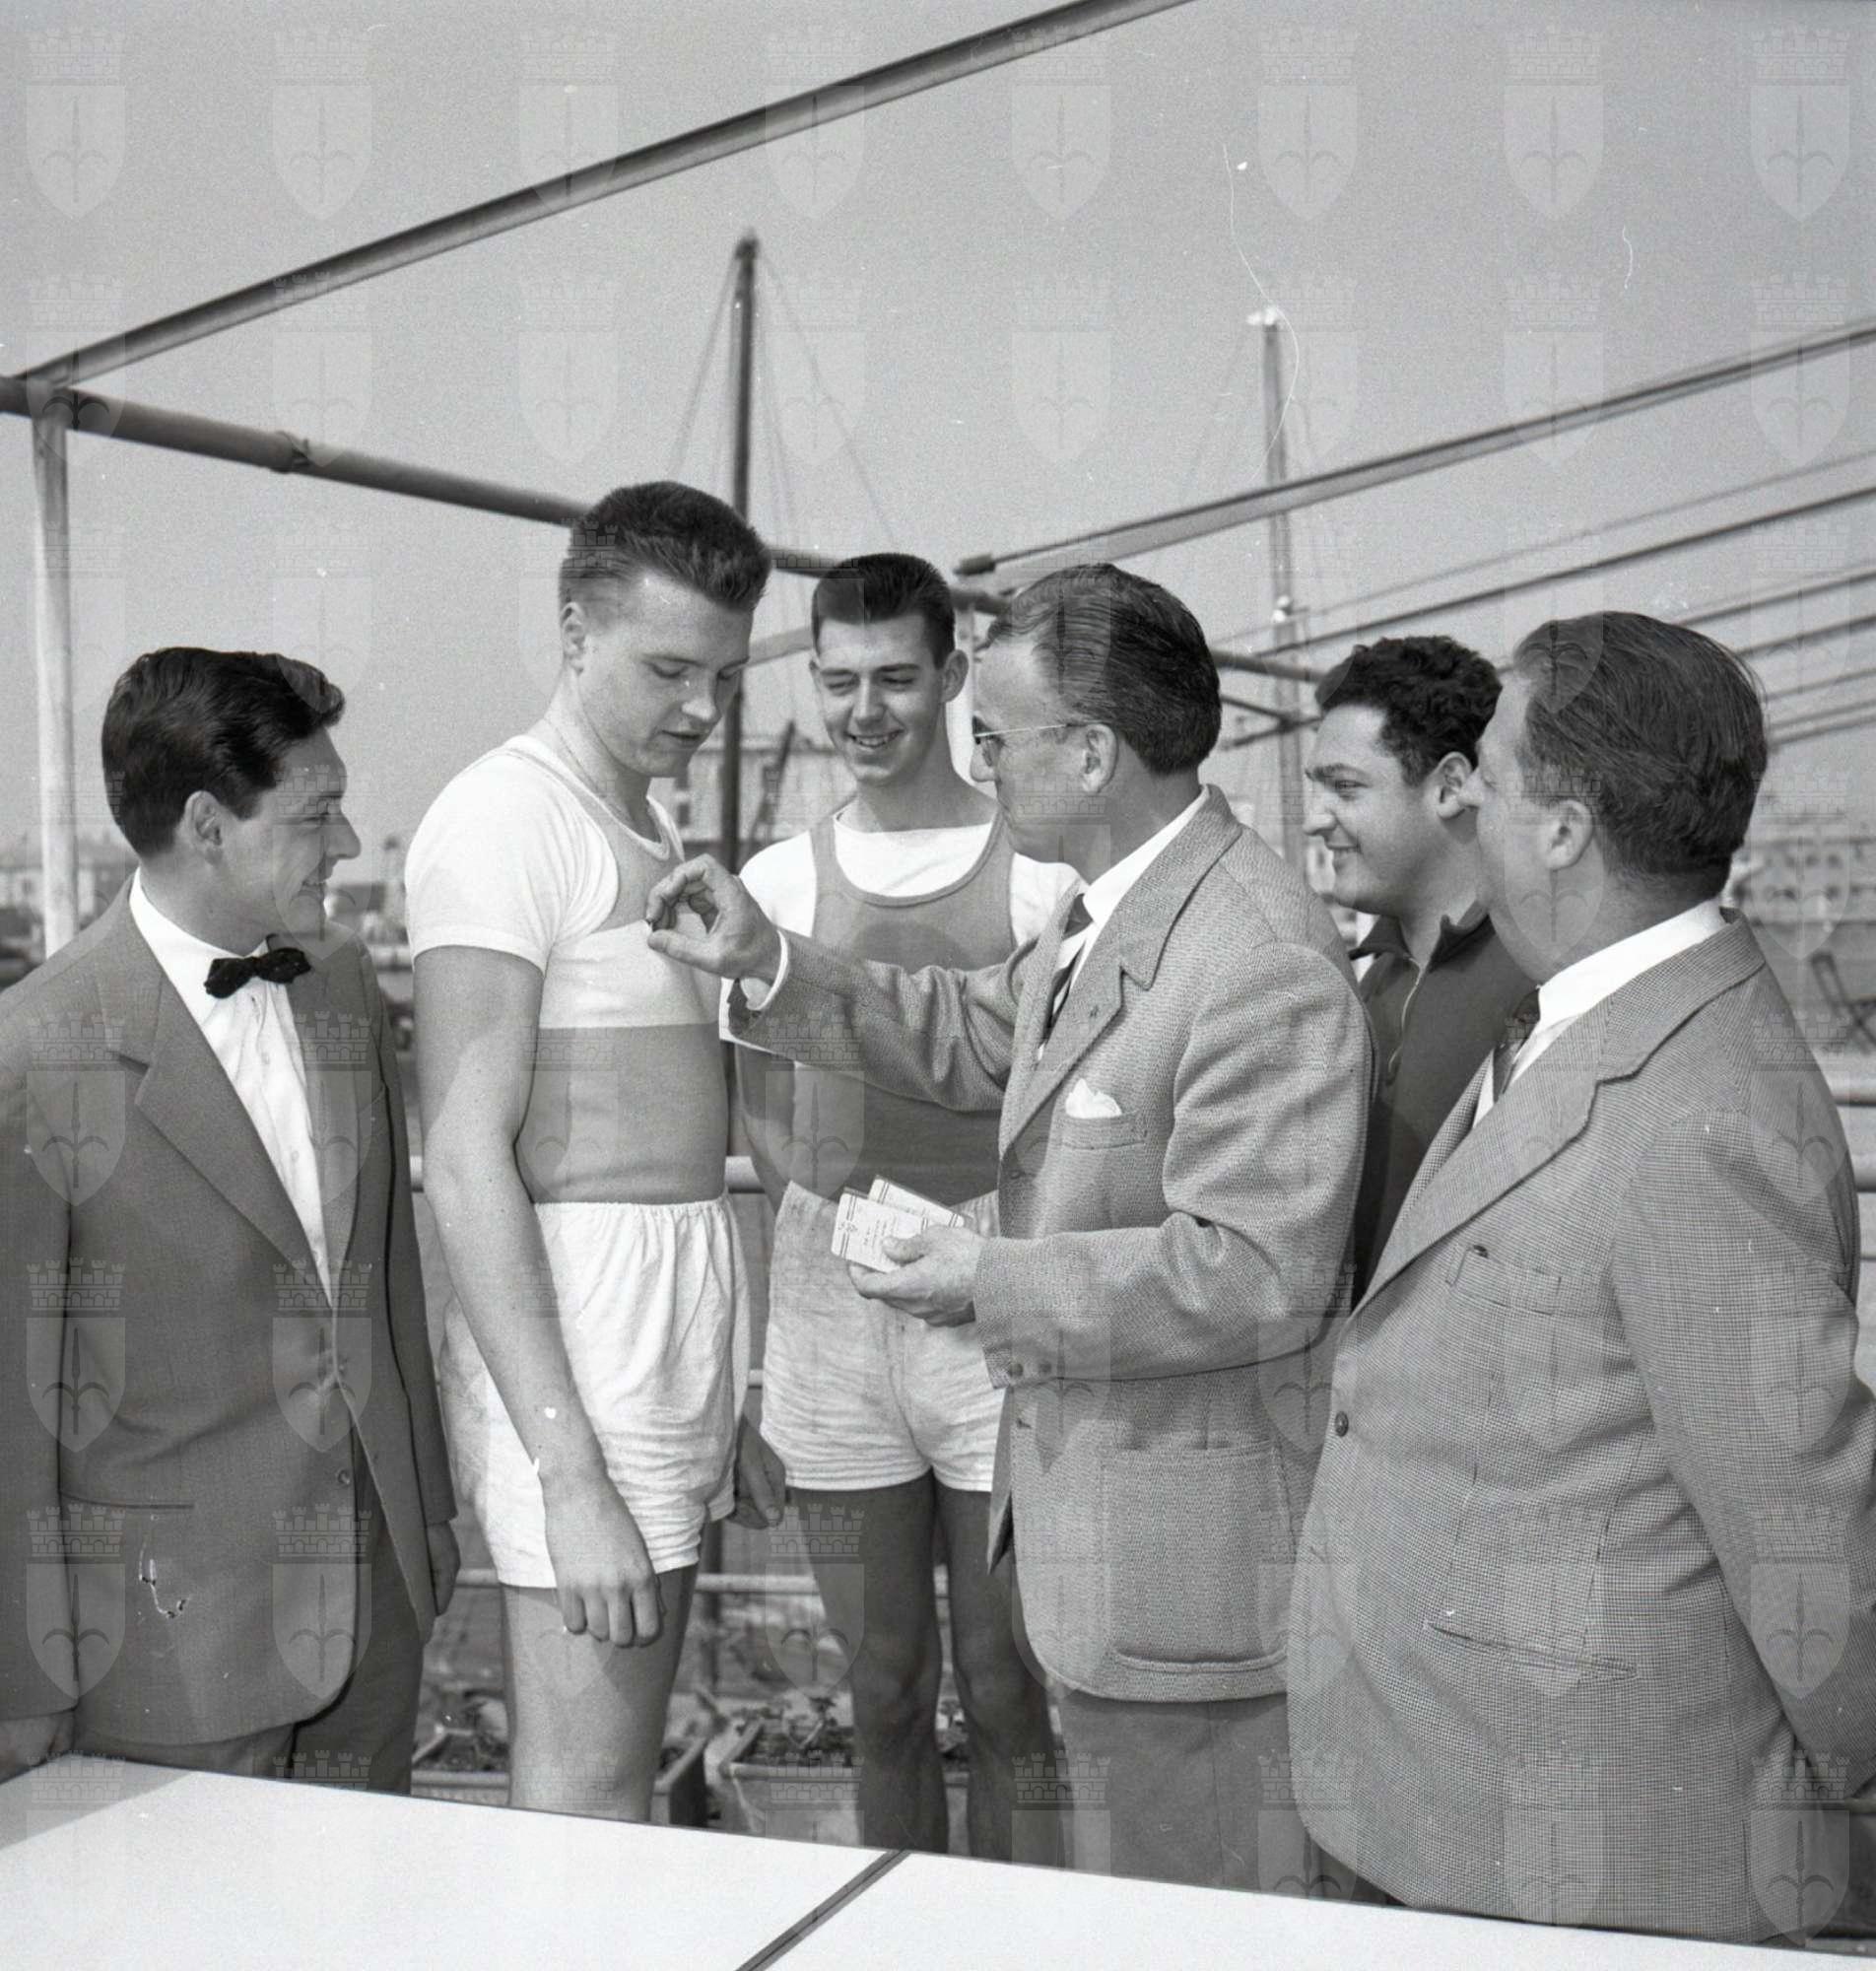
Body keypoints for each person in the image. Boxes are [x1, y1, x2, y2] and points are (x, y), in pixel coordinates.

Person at [648, 562, 1371, 1894]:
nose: (976, 765)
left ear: (1090, 754)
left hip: (1178, 1583)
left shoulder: (1252, 948)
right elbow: (970, 1030)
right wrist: (767, 958)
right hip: (1119, 1546)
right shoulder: (1119, 912)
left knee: (1186, 1909)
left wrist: (988, 1276)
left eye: (994, 736)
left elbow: (1257, 1272)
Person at [1289, 612, 1872, 1943]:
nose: (1459, 802)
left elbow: (1805, 1534)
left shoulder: (1702, 1112)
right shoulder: (1584, 1019)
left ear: (1562, 829)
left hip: (1589, 1855)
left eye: (1485, 773)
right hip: (1452, 1802)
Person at [0, 647, 456, 1789]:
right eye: (316, 813)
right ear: (207, 824)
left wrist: (427, 1522)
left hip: (376, 1607)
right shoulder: (35, 1048)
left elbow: (387, 1278)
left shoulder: (343, 985)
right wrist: (25, 1678)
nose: (346, 842)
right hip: (169, 1650)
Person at [406, 481, 779, 1820]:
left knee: (615, 1787)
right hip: (584, 1346)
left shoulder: (638, 816)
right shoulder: (505, 818)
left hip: (659, 1334)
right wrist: (568, 1473)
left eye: (725, 676)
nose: (702, 707)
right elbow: (464, 1157)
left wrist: (724, 1394)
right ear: (574, 633)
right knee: (584, 1800)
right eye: (668, 669)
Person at [733, 552, 1072, 1860]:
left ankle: (1023, 1935)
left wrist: (988, 1251)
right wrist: (827, 1272)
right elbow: (764, 1117)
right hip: (835, 1300)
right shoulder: (775, 885)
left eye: (893, 680)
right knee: (879, 1687)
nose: (863, 711)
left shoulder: (1039, 874)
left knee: (1005, 1684)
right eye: (838, 682)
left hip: (992, 1283)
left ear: (950, 675)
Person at [1303, 636, 1532, 1295]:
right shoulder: (1357, 982)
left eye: (1345, 788)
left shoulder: (1542, 986)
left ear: (1452, 787)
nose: (1316, 820)